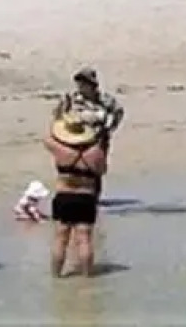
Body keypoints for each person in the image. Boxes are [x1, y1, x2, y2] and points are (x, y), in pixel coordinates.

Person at [42, 115, 107, 277]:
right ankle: (87, 276)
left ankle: (55, 276)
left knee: (60, 238)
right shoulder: (95, 153)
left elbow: (47, 139)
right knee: (84, 238)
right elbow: (102, 171)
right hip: (86, 196)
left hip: (64, 195)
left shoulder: (61, 151)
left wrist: (59, 125)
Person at [53, 67, 124, 154]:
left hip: (97, 141)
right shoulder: (72, 98)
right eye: (79, 84)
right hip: (73, 139)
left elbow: (118, 111)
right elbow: (58, 116)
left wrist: (109, 128)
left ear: (91, 85)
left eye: (83, 84)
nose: (80, 87)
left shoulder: (105, 100)